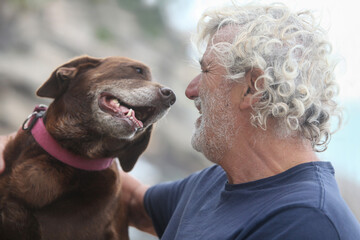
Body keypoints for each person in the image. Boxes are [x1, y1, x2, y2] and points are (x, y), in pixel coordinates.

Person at [1, 2, 360, 239]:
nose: (189, 91)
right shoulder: (216, 181)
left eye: (205, 71)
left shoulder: (308, 222)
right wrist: (23, 143)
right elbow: (134, 202)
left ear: (252, 88)